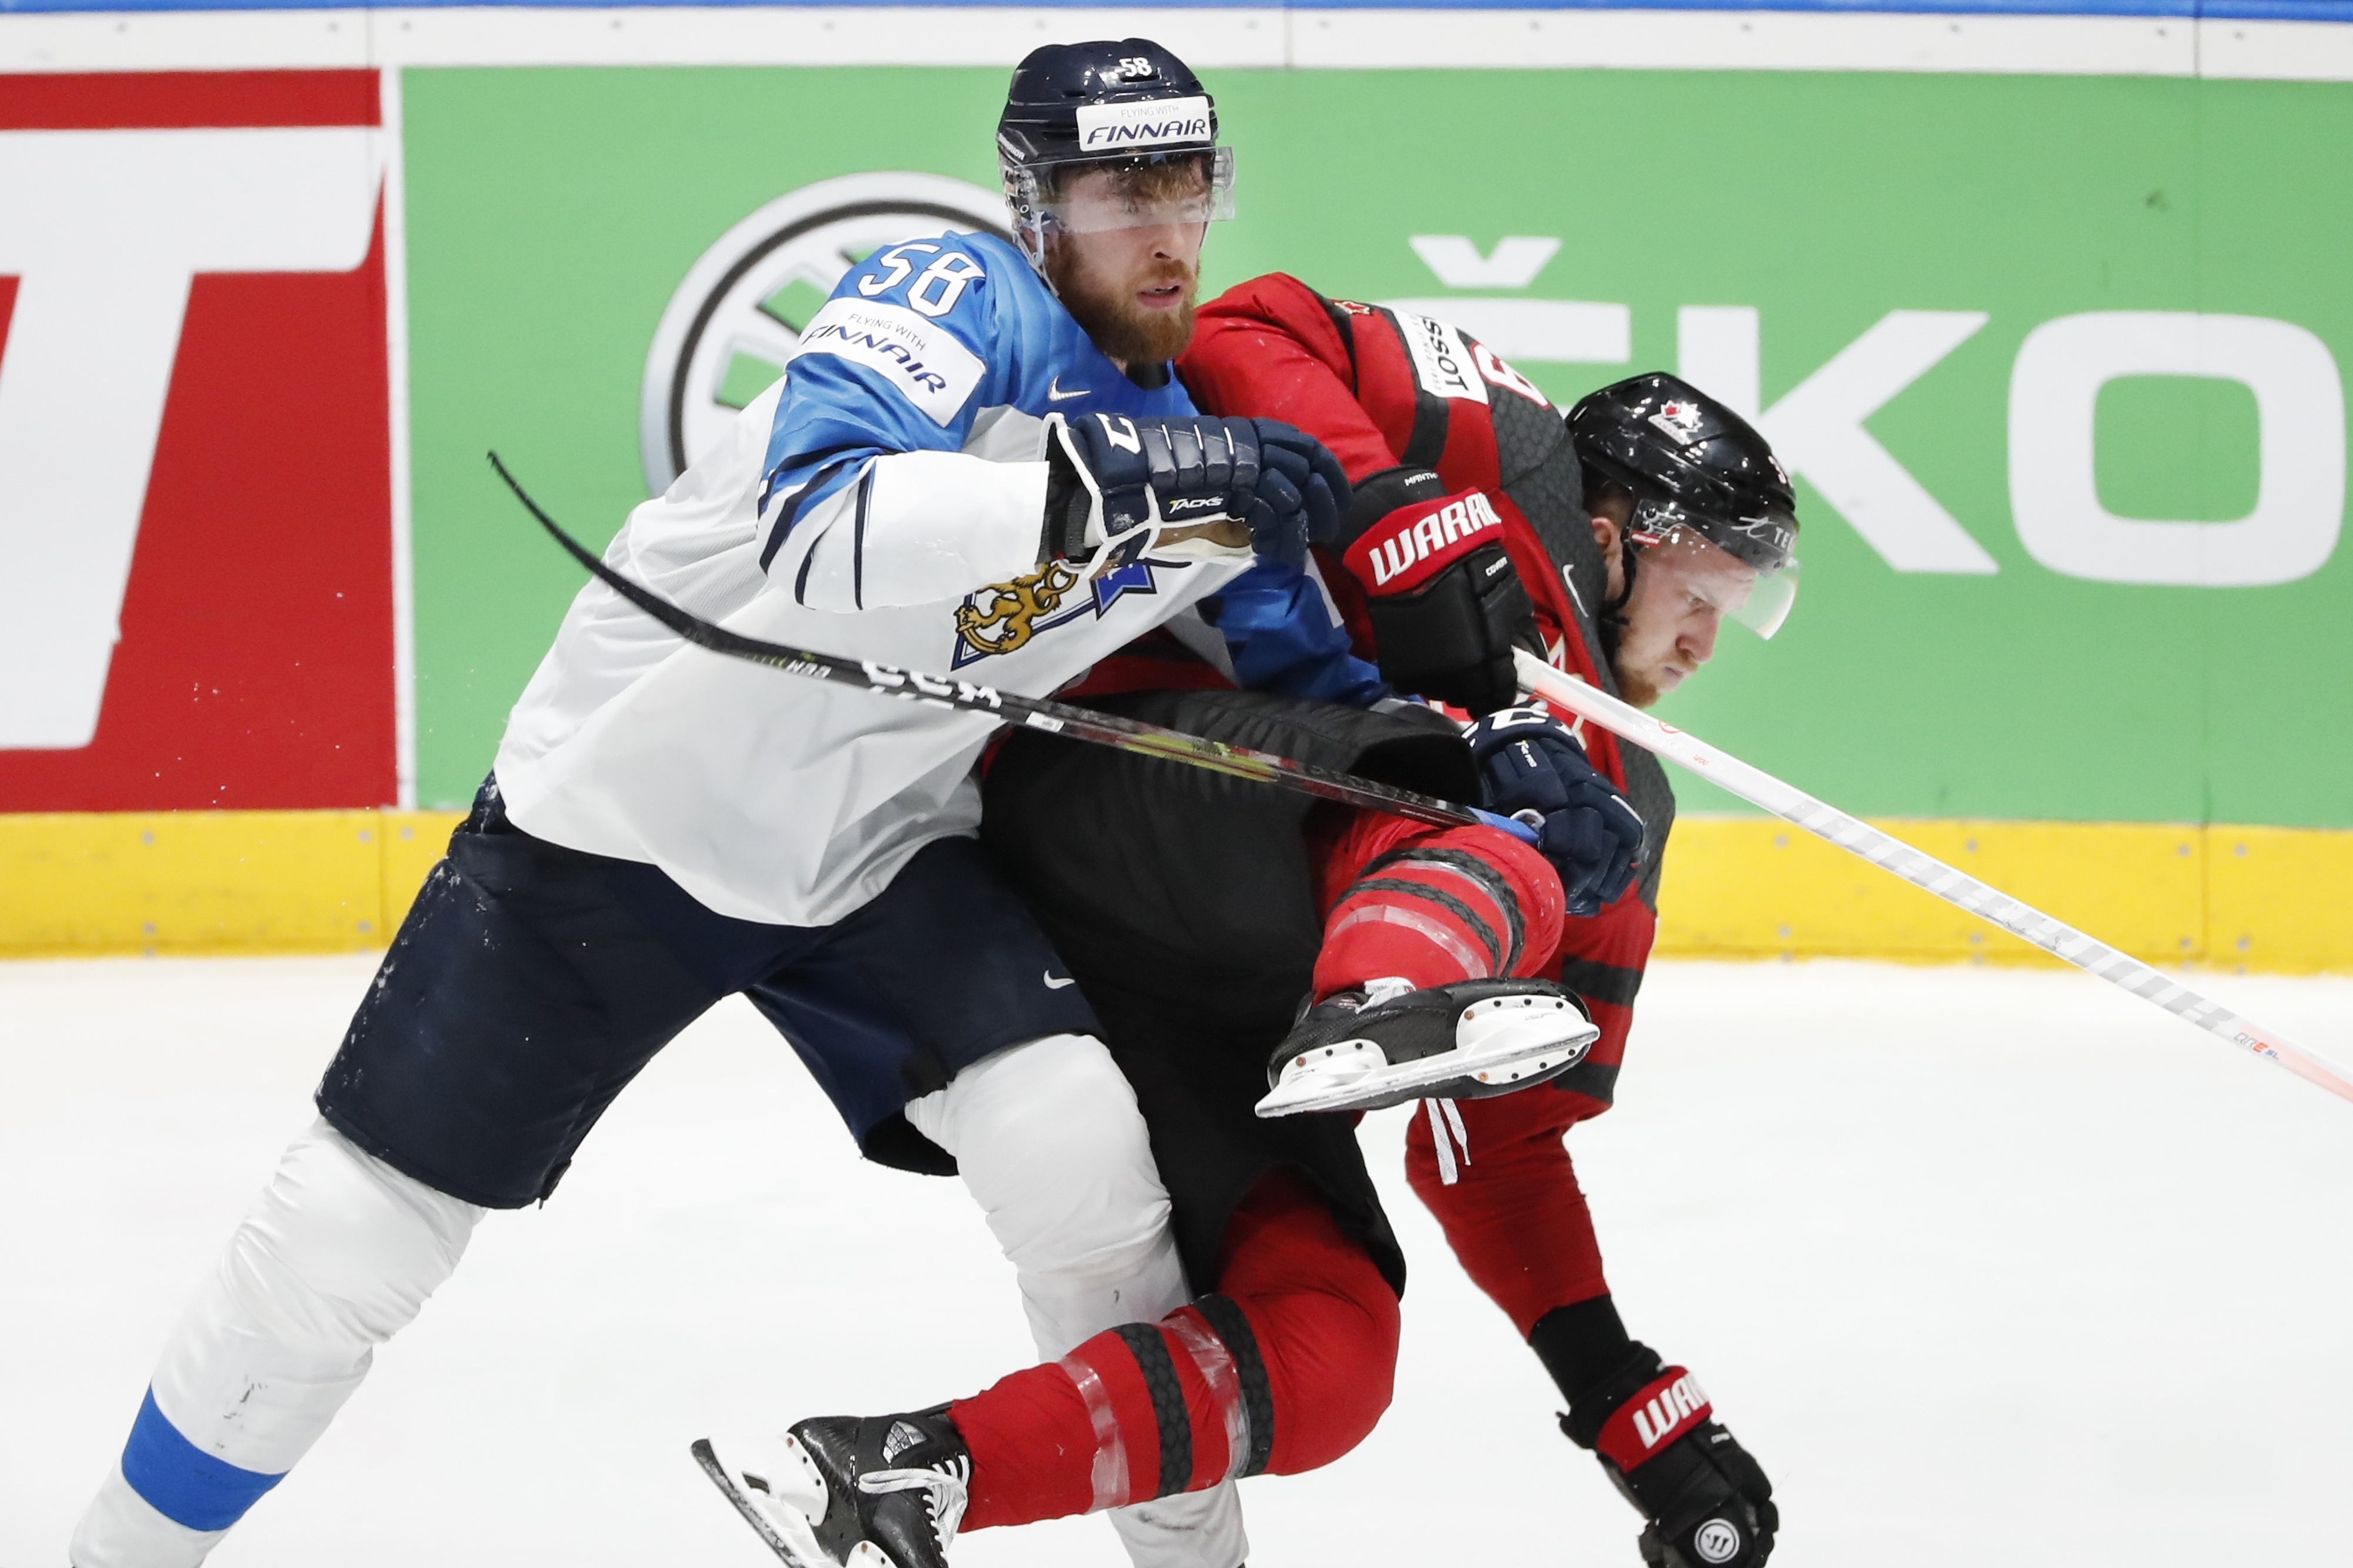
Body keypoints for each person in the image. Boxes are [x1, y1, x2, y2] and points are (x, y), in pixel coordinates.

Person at [65, 40, 1514, 1568]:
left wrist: (1499, 770)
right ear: (1033, 204)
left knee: (1082, 1158)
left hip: (879, 852)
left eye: (1189, 187)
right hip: (616, 827)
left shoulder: (1210, 447)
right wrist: (1118, 483)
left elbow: (1329, 703)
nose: (1163, 233)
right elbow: (818, 523)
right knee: (345, 1246)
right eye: (1119, 192)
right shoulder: (959, 298)